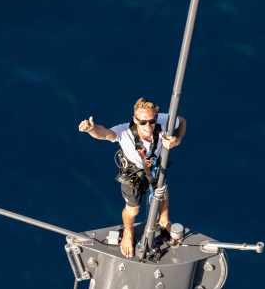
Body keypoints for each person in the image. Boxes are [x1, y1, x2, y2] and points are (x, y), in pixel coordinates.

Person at [77, 98, 186, 257]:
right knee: (133, 210)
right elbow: (105, 133)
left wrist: (177, 140)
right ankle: (128, 232)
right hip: (133, 173)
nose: (148, 126)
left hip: (154, 166)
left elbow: (182, 121)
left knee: (162, 192)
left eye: (151, 121)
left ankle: (164, 221)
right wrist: (91, 129)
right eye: (142, 122)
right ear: (135, 120)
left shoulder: (162, 120)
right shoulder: (123, 132)